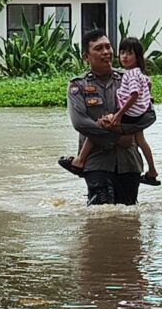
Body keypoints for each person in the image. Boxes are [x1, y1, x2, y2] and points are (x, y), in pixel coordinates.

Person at [58, 29, 156, 206]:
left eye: (108, 47)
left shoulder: (132, 78)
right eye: (98, 48)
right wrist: (119, 137)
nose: (105, 52)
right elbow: (80, 123)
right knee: (101, 212)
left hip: (129, 163)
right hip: (96, 162)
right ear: (86, 57)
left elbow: (147, 116)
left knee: (128, 218)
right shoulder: (78, 85)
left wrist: (124, 129)